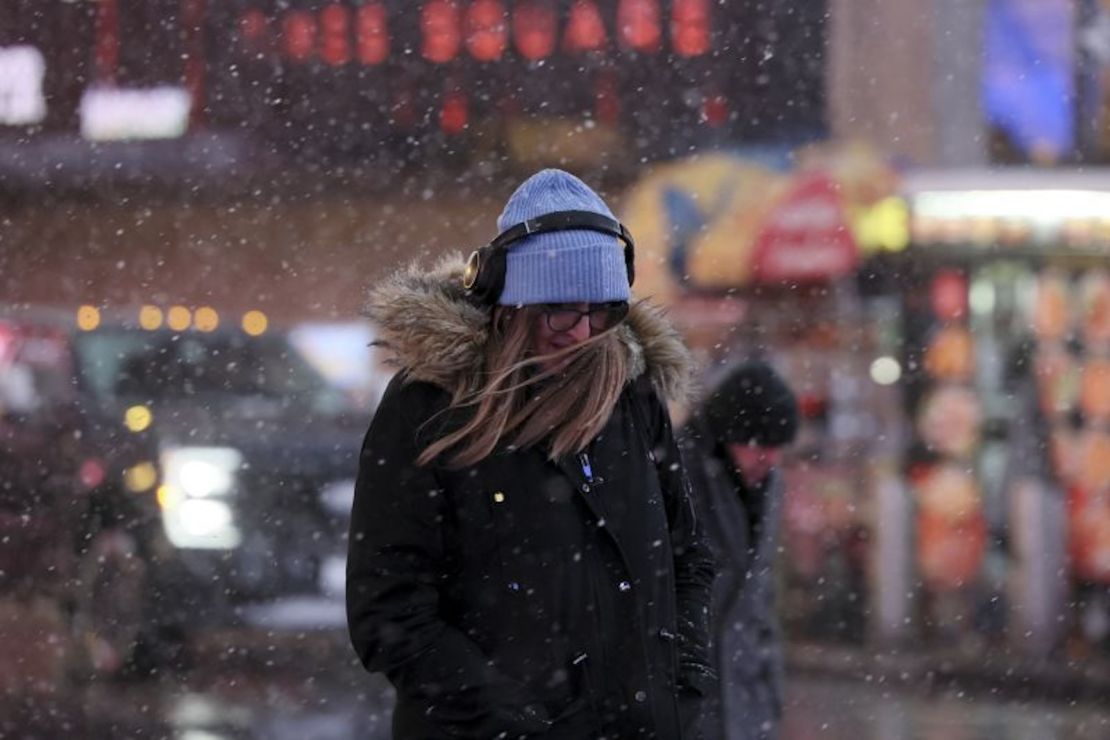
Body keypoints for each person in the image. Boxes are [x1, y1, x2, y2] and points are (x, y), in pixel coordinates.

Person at [346, 169, 716, 739]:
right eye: (560, 310)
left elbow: (687, 558)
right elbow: (388, 609)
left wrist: (682, 679)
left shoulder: (633, 397)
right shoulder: (429, 407)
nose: (583, 331)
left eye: (602, 311)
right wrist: (505, 719)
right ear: (509, 304)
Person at [679, 361, 799, 740]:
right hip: (687, 700)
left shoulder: (768, 486)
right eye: (758, 444)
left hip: (745, 704)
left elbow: (759, 602)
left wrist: (769, 694)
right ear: (726, 435)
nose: (769, 458)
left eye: (775, 447)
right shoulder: (675, 474)